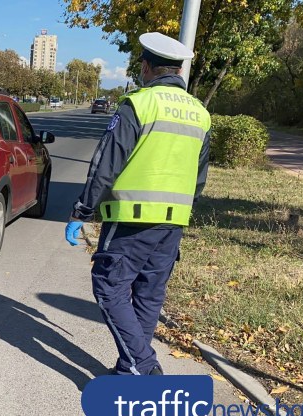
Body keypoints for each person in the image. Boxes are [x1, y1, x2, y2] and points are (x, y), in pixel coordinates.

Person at [64, 32, 212, 376]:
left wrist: (82, 211)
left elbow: (106, 163)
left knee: (108, 287)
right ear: (177, 69)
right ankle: (131, 370)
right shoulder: (200, 113)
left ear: (146, 66)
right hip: (174, 222)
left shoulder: (139, 104)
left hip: (130, 218)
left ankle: (143, 365)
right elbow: (199, 177)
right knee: (148, 294)